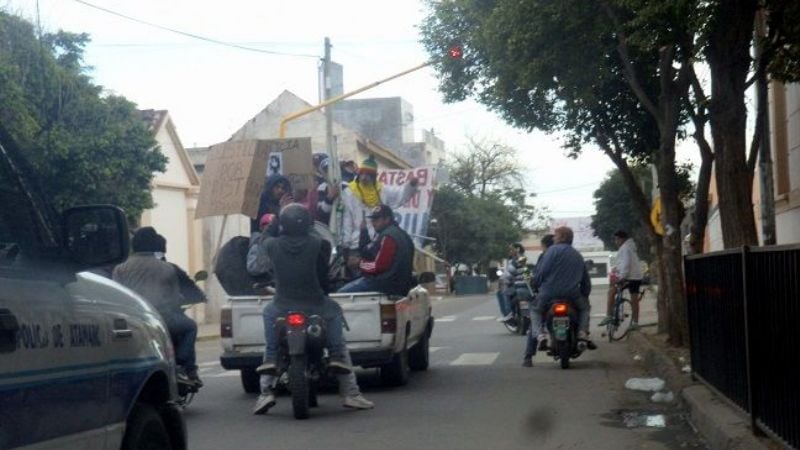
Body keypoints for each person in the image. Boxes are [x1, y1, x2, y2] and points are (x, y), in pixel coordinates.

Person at [252, 204, 373, 414]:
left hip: (282, 305)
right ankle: (350, 390)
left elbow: (264, 238)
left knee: (268, 328)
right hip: (316, 304)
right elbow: (323, 255)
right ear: (307, 224)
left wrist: (276, 222)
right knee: (336, 318)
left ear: (283, 224)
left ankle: (265, 391)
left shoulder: (272, 245)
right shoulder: (318, 244)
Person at [113, 227, 201, 386]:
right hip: (161, 318)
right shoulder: (166, 268)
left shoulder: (121, 268)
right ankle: (182, 363)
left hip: (133, 321)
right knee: (190, 327)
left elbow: (117, 296)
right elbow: (174, 297)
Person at [340, 155, 418, 265]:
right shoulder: (349, 192)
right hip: (356, 245)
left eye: (368, 174)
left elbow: (400, 195)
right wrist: (346, 246)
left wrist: (410, 185)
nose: (365, 177)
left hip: (379, 243)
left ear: (374, 176)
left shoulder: (382, 190)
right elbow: (347, 221)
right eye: (363, 173)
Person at [529, 226, 594, 356]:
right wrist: (585, 294)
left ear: (563, 237)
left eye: (556, 235)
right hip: (572, 294)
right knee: (584, 309)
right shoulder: (577, 254)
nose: (553, 238)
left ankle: (541, 336)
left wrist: (535, 285)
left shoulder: (550, 252)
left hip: (548, 293)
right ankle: (582, 333)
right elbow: (585, 280)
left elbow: (541, 273)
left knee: (535, 311)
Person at [337, 204, 415, 296]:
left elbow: (379, 267)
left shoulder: (388, 236)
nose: (374, 223)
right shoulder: (403, 235)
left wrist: (359, 263)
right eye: (373, 219)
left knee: (340, 294)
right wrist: (364, 232)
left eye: (377, 219)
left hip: (385, 284)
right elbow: (368, 251)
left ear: (387, 219)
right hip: (400, 284)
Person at [598, 230, 644, 330]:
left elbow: (626, 264)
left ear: (621, 238)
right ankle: (635, 323)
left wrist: (621, 277)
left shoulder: (625, 248)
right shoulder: (631, 247)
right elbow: (624, 263)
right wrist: (617, 268)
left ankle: (609, 316)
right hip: (636, 277)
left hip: (628, 277)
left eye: (616, 239)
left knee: (611, 292)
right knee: (634, 300)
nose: (615, 241)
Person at [522, 234, 554, 367]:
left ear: (544, 246)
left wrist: (534, 284)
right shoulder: (569, 255)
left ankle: (528, 356)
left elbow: (537, 277)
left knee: (535, 321)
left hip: (545, 296)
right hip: (568, 295)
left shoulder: (545, 257)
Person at [497, 243, 526, 322]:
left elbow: (511, 273)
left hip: (517, 283)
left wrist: (503, 280)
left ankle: (508, 313)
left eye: (511, 249)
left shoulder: (519, 259)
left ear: (517, 249)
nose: (509, 251)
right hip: (520, 282)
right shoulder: (519, 258)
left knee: (503, 292)